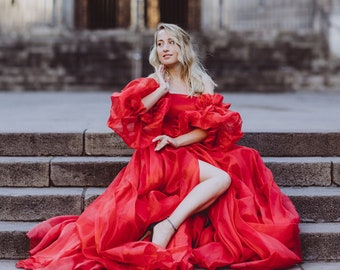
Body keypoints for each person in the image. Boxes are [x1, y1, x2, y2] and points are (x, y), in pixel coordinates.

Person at [17, 23, 302, 269]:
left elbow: (206, 129)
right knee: (222, 177)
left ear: (183, 46)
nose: (165, 48)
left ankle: (168, 224)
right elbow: (129, 114)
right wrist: (162, 91)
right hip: (159, 153)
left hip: (185, 146)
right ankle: (167, 225)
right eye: (160, 43)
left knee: (241, 163)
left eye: (171, 42)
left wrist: (178, 139)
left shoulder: (202, 82)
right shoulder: (154, 81)